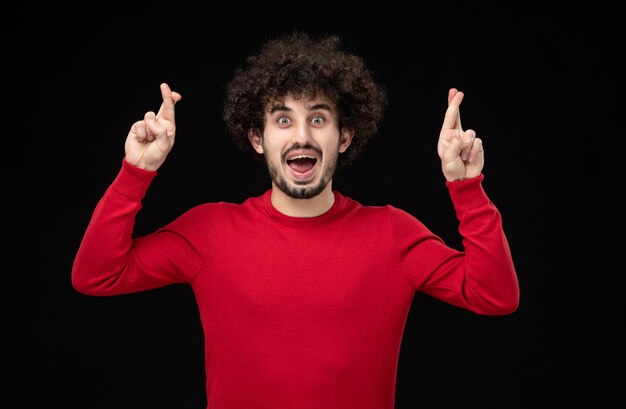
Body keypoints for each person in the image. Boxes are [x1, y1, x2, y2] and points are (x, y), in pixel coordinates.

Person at [72, 31, 520, 409]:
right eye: (283, 119)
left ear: (343, 136)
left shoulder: (392, 233)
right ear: (257, 138)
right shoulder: (211, 232)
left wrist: (467, 187)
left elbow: (494, 295)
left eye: (318, 118)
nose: (301, 135)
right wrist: (137, 172)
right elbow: (97, 274)